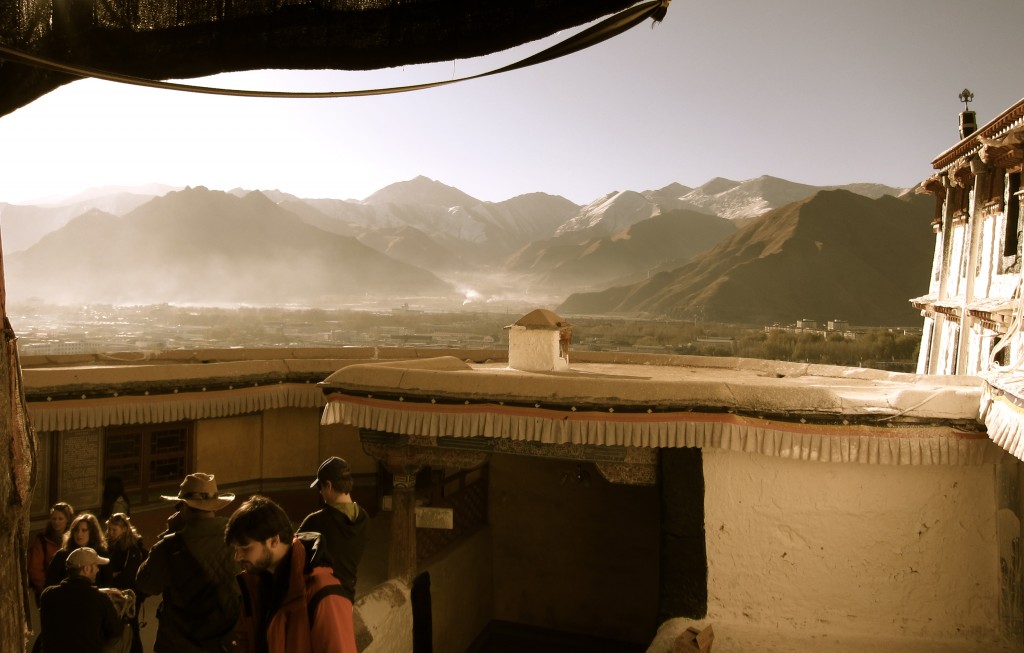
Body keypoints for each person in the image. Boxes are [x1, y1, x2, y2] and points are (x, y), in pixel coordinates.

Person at [226, 495, 357, 653]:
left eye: (245, 548)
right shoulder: (254, 582)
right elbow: (245, 639)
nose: (237, 557)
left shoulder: (322, 592)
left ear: (274, 541)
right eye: (236, 549)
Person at [136, 472, 241, 653]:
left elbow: (145, 583)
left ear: (183, 507)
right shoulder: (237, 537)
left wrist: (169, 534)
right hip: (227, 642)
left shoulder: (169, 547)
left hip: (179, 644)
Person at [298, 457, 368, 603]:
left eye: (320, 488)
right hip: (348, 599)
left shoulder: (316, 521)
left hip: (322, 599)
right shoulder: (364, 518)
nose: (320, 492)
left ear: (328, 485)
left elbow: (293, 556)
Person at [39, 546, 128, 653]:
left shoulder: (47, 594)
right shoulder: (99, 599)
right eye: (96, 566)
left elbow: (74, 595)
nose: (98, 570)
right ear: (86, 569)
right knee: (126, 631)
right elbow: (115, 630)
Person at [106, 512, 148, 653]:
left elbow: (127, 576)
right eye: (109, 529)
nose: (110, 533)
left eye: (114, 530)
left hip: (129, 597)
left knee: (131, 628)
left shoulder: (132, 549)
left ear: (124, 530)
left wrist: (112, 576)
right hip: (115, 595)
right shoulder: (110, 546)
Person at [46, 512, 111, 589]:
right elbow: (50, 582)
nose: (79, 534)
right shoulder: (62, 554)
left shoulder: (101, 553)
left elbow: (108, 582)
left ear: (91, 532)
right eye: (76, 530)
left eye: (84, 530)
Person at [28, 501, 74, 604]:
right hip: (47, 590)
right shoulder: (42, 540)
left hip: (70, 590)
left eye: (60, 519)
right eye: (54, 518)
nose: (56, 522)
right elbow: (35, 568)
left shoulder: (73, 538)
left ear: (67, 520)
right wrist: (46, 589)